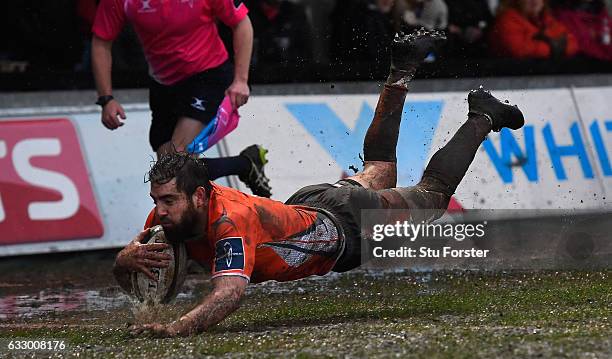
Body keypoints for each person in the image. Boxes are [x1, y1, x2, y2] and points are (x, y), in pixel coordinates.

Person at [116, 28, 525, 337]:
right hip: (311, 206)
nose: (161, 210)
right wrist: (122, 262)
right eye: (158, 201)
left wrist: (176, 328)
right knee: (380, 167)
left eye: (169, 200)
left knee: (432, 196)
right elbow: (137, 273)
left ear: (200, 196)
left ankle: (482, 115)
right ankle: (400, 71)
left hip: (341, 227)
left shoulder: (230, 222)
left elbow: (228, 294)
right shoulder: (169, 214)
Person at [91, 0, 272, 197]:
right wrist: (106, 98)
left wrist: (241, 80)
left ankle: (206, 215)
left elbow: (242, 23)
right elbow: (101, 42)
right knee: (168, 173)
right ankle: (245, 164)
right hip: (163, 86)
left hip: (207, 76)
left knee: (174, 166)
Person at [488, 0, 578, 59]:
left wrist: (550, 47)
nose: (535, 1)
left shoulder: (547, 20)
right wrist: (552, 48)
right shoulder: (506, 20)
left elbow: (572, 43)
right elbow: (519, 49)